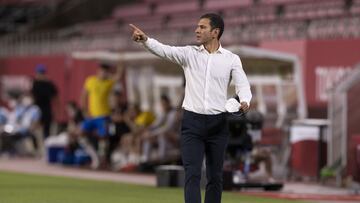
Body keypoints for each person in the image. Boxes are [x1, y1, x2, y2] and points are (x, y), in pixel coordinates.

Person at [130, 13, 252, 203]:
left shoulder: (231, 59)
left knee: (215, 177)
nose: (197, 30)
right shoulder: (189, 54)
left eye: (202, 27)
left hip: (218, 124)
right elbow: (164, 50)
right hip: (192, 124)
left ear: (215, 32)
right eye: (197, 26)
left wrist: (245, 100)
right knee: (192, 174)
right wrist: (145, 40)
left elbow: (243, 85)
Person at [79, 62, 122, 169]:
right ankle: (94, 157)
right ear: (98, 71)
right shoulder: (90, 80)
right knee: (80, 134)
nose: (104, 74)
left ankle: (102, 161)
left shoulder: (108, 82)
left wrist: (120, 61)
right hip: (91, 116)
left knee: (103, 138)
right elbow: (84, 95)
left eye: (106, 72)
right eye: (102, 71)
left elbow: (118, 76)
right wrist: (84, 111)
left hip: (103, 116)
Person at [31, 64, 58, 139]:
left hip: (46, 109)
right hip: (37, 109)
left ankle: (46, 143)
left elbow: (55, 97)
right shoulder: (35, 83)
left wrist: (56, 110)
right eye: (39, 73)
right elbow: (32, 97)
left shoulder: (49, 84)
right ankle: (37, 145)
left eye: (41, 73)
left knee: (47, 130)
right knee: (35, 128)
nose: (40, 75)